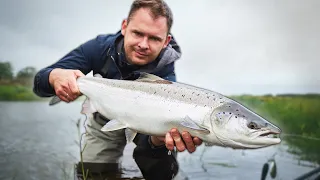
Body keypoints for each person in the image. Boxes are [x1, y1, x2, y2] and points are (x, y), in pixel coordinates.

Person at [33, 0, 202, 179]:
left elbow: (156, 136)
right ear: (124, 26)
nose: (144, 45)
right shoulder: (98, 47)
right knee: (92, 173)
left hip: (147, 120)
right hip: (105, 114)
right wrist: (54, 77)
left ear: (166, 41)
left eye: (154, 38)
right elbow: (40, 83)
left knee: (162, 172)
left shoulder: (166, 67)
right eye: (137, 33)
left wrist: (156, 142)